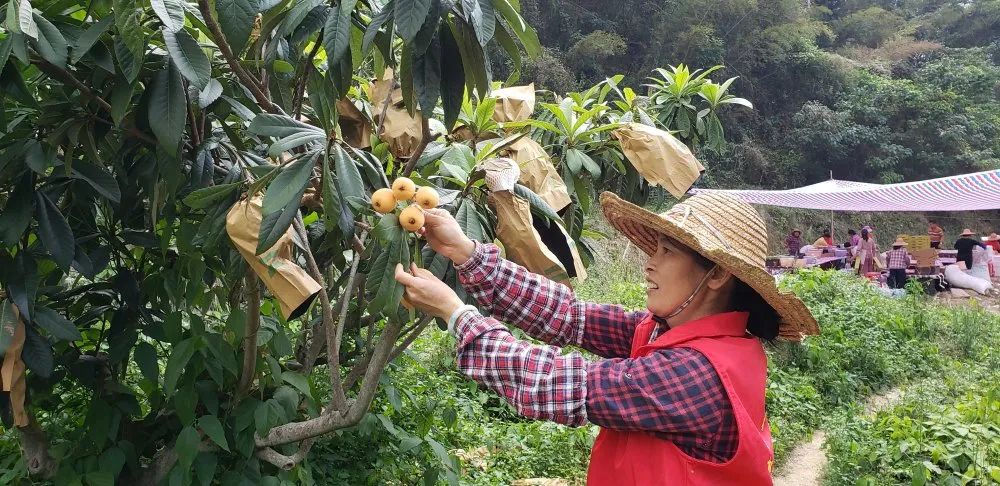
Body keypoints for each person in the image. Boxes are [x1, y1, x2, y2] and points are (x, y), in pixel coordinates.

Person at [394, 192, 819, 485]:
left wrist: (455, 313)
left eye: (668, 251)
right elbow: (569, 316)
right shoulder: (677, 336)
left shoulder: (696, 374)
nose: (650, 264)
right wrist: (467, 252)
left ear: (718, 274)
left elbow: (555, 383)